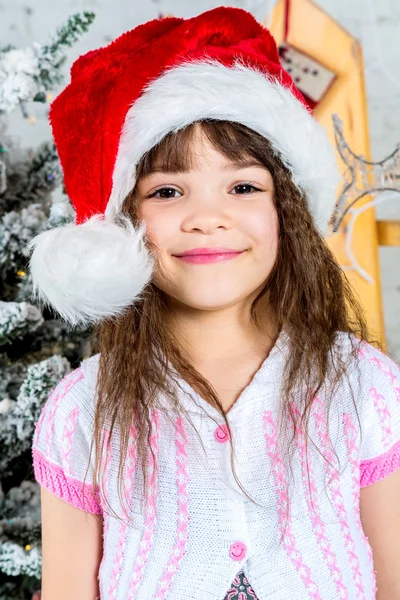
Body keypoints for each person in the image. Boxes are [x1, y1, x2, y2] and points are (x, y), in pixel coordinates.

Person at [27, 6, 400, 600]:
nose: (208, 219)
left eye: (243, 186)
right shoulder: (84, 411)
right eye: (168, 191)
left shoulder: (364, 386)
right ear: (124, 222)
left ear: (287, 211)